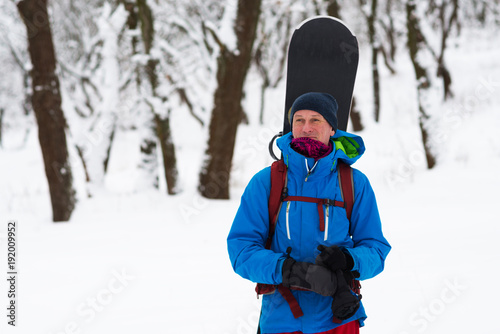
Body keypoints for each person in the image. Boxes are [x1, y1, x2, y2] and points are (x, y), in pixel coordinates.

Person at [227, 92, 391, 334]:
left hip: (337, 318)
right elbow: (241, 250)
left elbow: (376, 249)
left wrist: (348, 259)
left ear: (332, 129)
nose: (306, 128)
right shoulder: (267, 181)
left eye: (316, 120)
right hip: (282, 320)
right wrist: (288, 270)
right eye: (299, 120)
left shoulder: (353, 183)